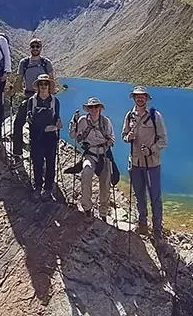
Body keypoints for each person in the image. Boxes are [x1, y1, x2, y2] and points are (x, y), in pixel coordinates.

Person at [121, 86, 168, 238]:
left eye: (142, 96)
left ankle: (157, 229)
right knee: (139, 194)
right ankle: (142, 224)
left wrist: (151, 149)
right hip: (135, 163)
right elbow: (124, 135)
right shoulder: (129, 116)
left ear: (147, 98)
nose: (140, 99)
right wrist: (128, 137)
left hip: (152, 164)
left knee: (155, 196)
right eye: (137, 96)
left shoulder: (155, 116)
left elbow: (163, 140)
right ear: (134, 98)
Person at [15, 74, 62, 200]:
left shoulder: (54, 101)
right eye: (41, 84)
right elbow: (29, 116)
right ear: (38, 86)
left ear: (49, 85)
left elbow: (56, 117)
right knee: (37, 162)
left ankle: (48, 188)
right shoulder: (32, 101)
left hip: (50, 136)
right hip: (36, 136)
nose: (43, 86)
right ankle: (38, 187)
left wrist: (58, 124)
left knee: (50, 162)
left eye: (45, 84)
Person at [69, 97, 115, 219]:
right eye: (91, 107)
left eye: (96, 107)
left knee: (105, 183)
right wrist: (73, 122)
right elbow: (73, 135)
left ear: (100, 108)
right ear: (88, 109)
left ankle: (103, 212)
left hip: (104, 154)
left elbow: (112, 138)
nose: (94, 109)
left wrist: (108, 142)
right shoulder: (82, 121)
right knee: (86, 173)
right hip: (90, 154)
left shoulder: (106, 122)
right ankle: (87, 207)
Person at [13, 38, 55, 157]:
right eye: (33, 46)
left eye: (37, 46)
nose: (35, 48)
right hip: (28, 96)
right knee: (18, 124)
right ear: (30, 48)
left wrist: (51, 98)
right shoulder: (24, 63)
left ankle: (38, 155)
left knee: (37, 127)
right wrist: (15, 90)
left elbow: (51, 80)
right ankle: (17, 153)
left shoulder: (46, 63)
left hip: (43, 99)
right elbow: (19, 79)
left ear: (41, 48)